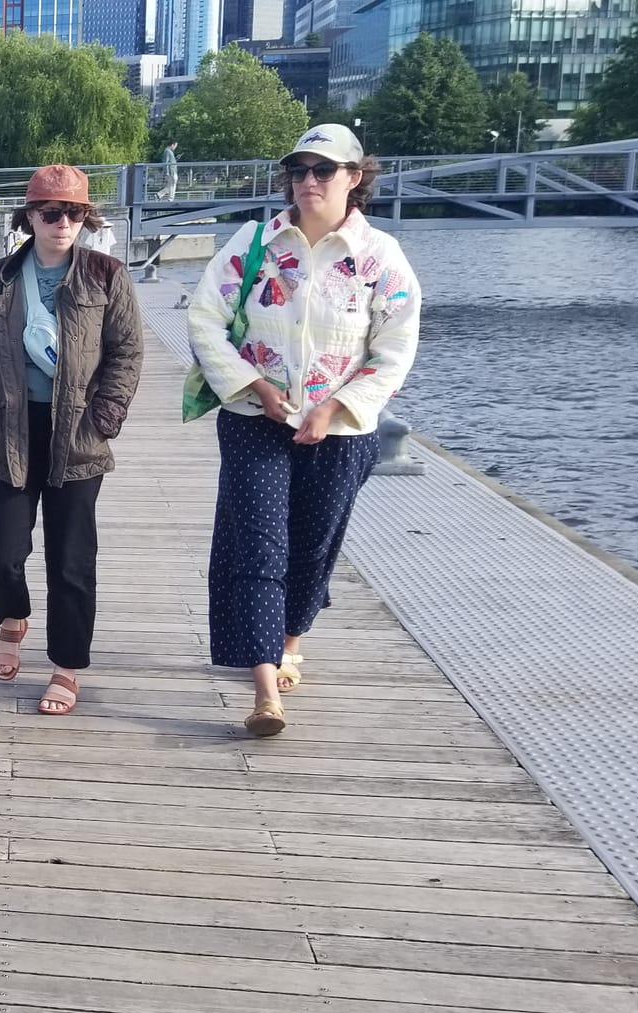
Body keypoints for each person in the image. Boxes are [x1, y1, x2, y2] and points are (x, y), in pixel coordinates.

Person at [189, 124, 421, 737]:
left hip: (341, 430)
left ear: (355, 178)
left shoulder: (380, 258)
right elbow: (206, 319)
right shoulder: (255, 242)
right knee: (260, 548)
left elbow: (394, 349)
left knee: (314, 545)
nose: (309, 181)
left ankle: (291, 641)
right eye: (299, 170)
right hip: (254, 420)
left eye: (324, 170)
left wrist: (336, 407)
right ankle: (265, 690)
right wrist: (252, 387)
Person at [0, 166, 144, 716]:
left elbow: (127, 350)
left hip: (79, 436)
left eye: (75, 212)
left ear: (87, 218)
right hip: (10, 431)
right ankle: (13, 617)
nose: (63, 223)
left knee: (71, 561)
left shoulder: (107, 275)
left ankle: (66, 667)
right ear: (29, 217)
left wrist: (104, 416)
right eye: (51, 212)